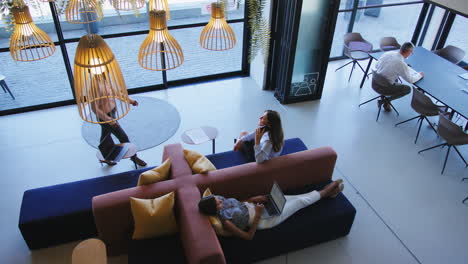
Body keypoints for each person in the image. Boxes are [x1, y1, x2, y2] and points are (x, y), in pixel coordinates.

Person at [198, 179, 344, 240]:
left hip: (259, 208)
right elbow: (248, 236)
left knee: (290, 197)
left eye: (216, 198)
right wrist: (257, 215)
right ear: (214, 208)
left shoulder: (223, 202)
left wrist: (255, 199)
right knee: (299, 202)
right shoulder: (226, 222)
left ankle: (325, 193)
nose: (218, 198)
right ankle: (326, 192)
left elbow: (242, 203)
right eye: (216, 201)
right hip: (264, 220)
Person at [91, 75, 146, 167]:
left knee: (105, 136)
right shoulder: (95, 87)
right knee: (123, 136)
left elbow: (117, 93)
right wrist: (109, 120)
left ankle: (105, 158)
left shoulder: (105, 80)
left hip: (112, 113)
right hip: (105, 117)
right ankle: (134, 158)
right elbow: (94, 108)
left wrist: (130, 101)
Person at [375, 42, 424, 111]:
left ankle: (385, 98)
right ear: (409, 52)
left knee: (395, 79)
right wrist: (419, 75)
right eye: (411, 52)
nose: (410, 54)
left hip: (375, 81)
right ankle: (386, 100)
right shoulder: (401, 64)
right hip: (383, 86)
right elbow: (410, 80)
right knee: (407, 89)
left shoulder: (388, 53)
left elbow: (376, 65)